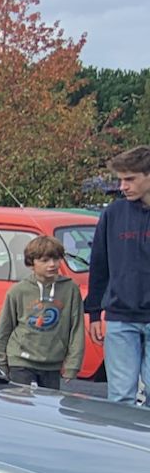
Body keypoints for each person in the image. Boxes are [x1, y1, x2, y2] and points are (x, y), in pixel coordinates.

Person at [86, 145, 150, 405]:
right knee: (120, 397)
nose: (123, 186)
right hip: (120, 316)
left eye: (130, 179)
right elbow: (99, 265)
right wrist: (92, 313)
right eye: (121, 179)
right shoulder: (113, 214)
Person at [0, 236, 83, 390]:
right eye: (45, 260)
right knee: (22, 405)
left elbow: (76, 329)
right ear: (31, 263)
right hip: (20, 360)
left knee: (48, 407)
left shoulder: (70, 289)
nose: (52, 265)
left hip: (52, 362)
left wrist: (73, 364)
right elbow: (4, 327)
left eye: (56, 259)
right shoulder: (18, 291)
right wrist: (0, 361)